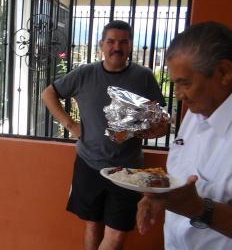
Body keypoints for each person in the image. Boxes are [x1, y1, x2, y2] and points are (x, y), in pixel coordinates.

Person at [136, 21, 232, 249]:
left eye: (184, 83)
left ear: (224, 72)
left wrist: (199, 209)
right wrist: (161, 196)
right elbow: (185, 174)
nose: (178, 95)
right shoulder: (203, 103)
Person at [41, 20, 168, 250]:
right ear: (101, 45)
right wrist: (71, 124)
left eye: (123, 42)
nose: (116, 47)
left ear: (130, 46)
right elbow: (48, 94)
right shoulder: (84, 73)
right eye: (110, 41)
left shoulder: (144, 77)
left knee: (117, 235)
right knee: (92, 224)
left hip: (128, 170)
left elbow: (162, 121)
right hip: (89, 164)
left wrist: (155, 129)